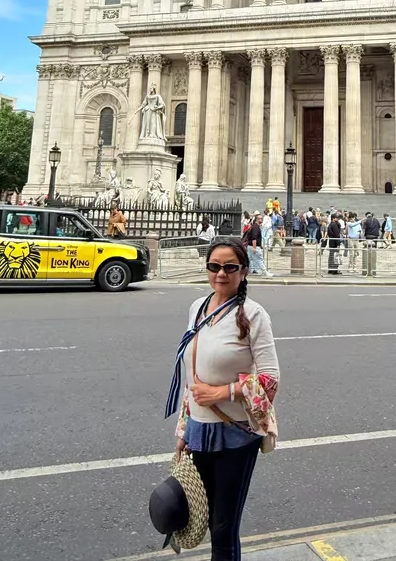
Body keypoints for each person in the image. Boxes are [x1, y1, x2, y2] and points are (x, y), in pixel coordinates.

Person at [169, 237, 279, 561]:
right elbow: (192, 376)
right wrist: (183, 429)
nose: (221, 273)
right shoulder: (198, 308)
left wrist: (224, 392)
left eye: (230, 267)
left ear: (244, 272)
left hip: (235, 433)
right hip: (199, 431)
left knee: (223, 529)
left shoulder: (253, 315)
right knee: (205, 518)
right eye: (214, 266)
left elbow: (271, 380)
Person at [362, 211, 380, 278]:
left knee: (368, 247)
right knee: (374, 247)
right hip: (375, 235)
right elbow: (379, 226)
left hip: (368, 235)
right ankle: (373, 258)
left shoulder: (366, 220)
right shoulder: (376, 220)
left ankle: (369, 258)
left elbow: (364, 228)